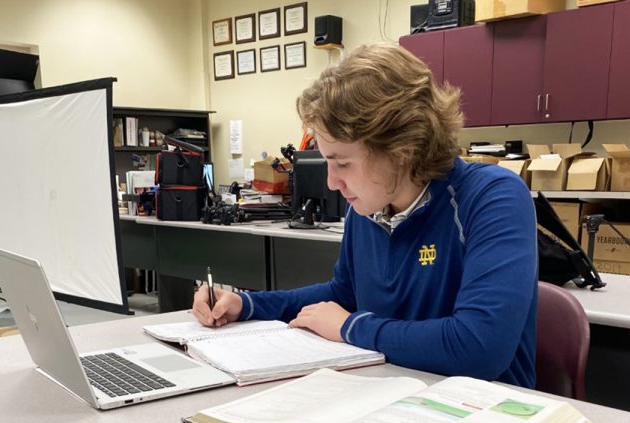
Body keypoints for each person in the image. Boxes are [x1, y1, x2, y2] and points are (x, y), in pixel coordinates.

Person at [193, 43, 537, 388]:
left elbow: (479, 348)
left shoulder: (492, 197)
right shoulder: (368, 204)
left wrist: (350, 327)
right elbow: (343, 295)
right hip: (398, 393)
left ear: (403, 150)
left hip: (488, 415)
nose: (331, 181)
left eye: (342, 163)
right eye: (327, 161)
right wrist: (247, 304)